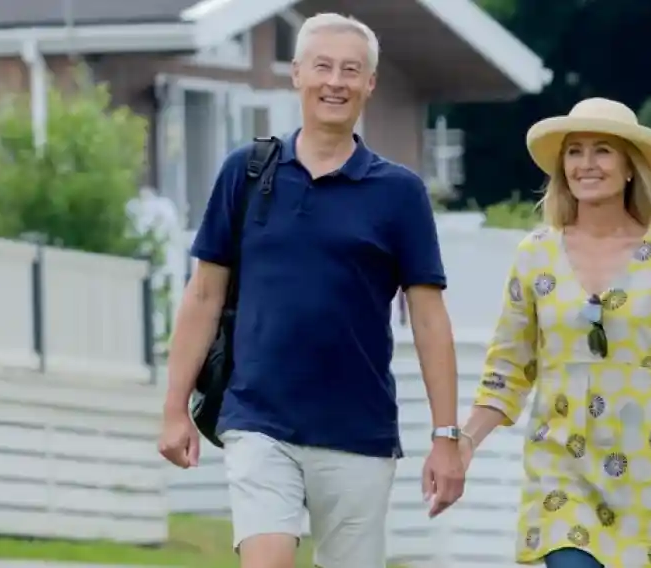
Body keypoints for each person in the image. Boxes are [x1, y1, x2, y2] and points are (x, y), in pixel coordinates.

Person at [153, 12, 468, 568]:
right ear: (296, 74)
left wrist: (447, 436)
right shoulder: (246, 173)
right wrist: (174, 408)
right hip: (258, 421)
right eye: (322, 66)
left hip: (359, 431)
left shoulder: (399, 193)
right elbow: (203, 294)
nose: (335, 82)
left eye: (352, 70)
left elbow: (428, 318)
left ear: (370, 84)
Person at [453, 98, 651, 568]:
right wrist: (463, 443)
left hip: (649, 482)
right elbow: (508, 370)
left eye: (602, 150)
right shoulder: (535, 254)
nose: (586, 164)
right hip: (561, 477)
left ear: (628, 168)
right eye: (575, 151)